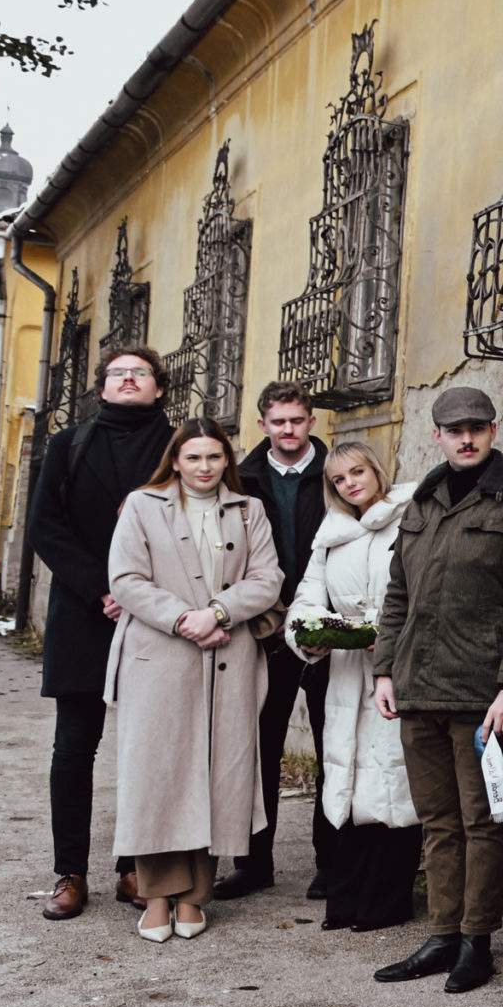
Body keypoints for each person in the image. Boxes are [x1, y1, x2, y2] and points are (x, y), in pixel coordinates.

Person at [370, 387, 503, 993]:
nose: (466, 437)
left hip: (482, 698)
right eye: (454, 429)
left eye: (476, 427)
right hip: (419, 690)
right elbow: (398, 594)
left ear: (494, 430)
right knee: (438, 822)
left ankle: (477, 940)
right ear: (438, 436)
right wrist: (384, 669)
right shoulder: (421, 503)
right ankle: (442, 934)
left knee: (483, 821)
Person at [103, 418, 284, 941]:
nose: (204, 467)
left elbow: (268, 577)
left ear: (227, 460)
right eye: (193, 458)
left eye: (214, 457)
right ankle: (157, 893)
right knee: (158, 774)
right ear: (176, 461)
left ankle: (194, 897)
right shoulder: (142, 504)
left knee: (215, 773)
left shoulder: (250, 510)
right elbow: (126, 578)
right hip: (159, 655)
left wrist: (220, 612)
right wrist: (185, 618)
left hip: (229, 655)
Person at [26, 346, 173, 920]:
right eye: (118, 374)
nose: (128, 380)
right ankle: (71, 873)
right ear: (103, 388)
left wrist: (143, 596)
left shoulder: (177, 446)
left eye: (139, 373)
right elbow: (45, 527)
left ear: (159, 387)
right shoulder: (69, 445)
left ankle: (135, 868)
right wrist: (102, 589)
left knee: (149, 749)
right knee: (73, 749)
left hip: (157, 616)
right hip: (84, 613)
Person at [284, 440, 423, 933]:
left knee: (393, 779)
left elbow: (423, 591)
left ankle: (387, 901)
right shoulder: (331, 534)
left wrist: (389, 637)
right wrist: (311, 638)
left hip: (398, 670)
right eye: (339, 479)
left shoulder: (411, 516)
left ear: (376, 470)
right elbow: (305, 602)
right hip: (345, 673)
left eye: (358, 472)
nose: (351, 484)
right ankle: (346, 899)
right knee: (345, 776)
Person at [220, 380, 331, 900]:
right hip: (264, 629)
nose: (288, 430)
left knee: (336, 745)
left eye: (297, 420)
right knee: (259, 744)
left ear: (311, 422)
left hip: (331, 629)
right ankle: (253, 861)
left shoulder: (337, 472)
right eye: (278, 421)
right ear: (262, 423)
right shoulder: (241, 479)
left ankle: (332, 861)